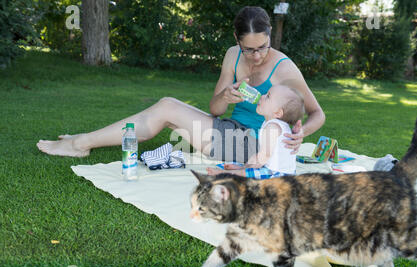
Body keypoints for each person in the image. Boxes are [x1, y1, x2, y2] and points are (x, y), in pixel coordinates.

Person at [36, 6, 325, 163]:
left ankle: (81, 144)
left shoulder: (284, 67)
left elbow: (317, 114)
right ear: (237, 41)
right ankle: (87, 138)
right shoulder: (232, 56)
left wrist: (301, 134)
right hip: (229, 132)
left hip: (251, 146)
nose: (258, 55)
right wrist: (227, 95)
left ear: (270, 34)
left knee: (166, 108)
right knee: (167, 107)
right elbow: (214, 109)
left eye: (263, 46)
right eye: (249, 49)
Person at [206, 84, 304, 179]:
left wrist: (254, 162)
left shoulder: (272, 127)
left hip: (277, 174)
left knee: (249, 173)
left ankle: (224, 173)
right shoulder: (276, 125)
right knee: (252, 166)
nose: (262, 96)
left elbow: (266, 154)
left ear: (278, 112)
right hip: (282, 171)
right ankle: (242, 168)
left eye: (268, 96)